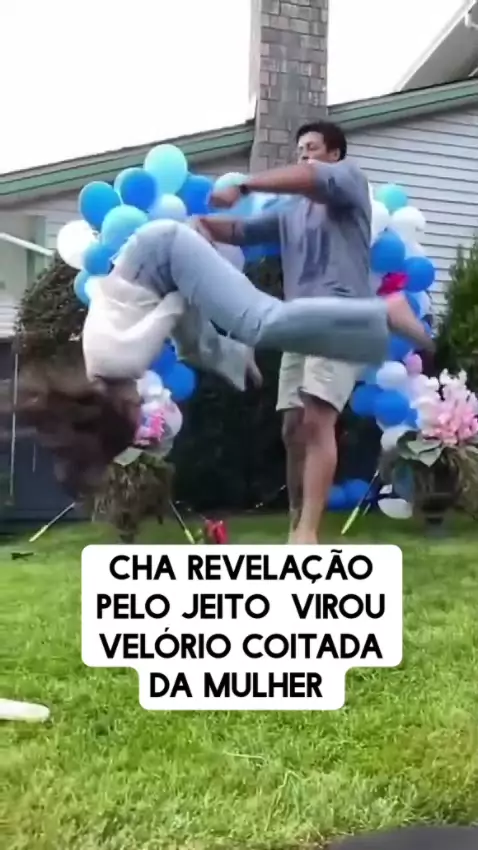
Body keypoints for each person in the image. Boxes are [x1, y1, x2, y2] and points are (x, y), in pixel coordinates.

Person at [20, 201, 429, 501]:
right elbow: (179, 323)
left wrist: (209, 283)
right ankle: (238, 356)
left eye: (133, 414)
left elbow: (174, 307)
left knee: (259, 321)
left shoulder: (124, 360)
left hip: (165, 255)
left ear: (117, 408)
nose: (140, 408)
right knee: (191, 349)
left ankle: (383, 311)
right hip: (154, 265)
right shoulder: (101, 367)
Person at [195, 119, 420, 543]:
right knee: (293, 428)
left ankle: (309, 533)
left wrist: (244, 185)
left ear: (334, 154)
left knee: (317, 418)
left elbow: (311, 178)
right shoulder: (291, 213)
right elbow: (242, 231)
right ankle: (296, 524)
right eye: (300, 150)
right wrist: (201, 225)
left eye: (312, 148)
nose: (304, 155)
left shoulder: (349, 181)